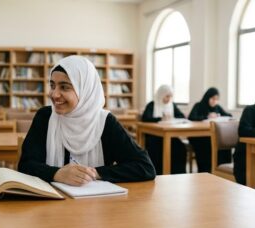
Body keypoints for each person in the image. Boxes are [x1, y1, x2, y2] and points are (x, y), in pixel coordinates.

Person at [18, 55, 155, 186]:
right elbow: (25, 165)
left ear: (85, 90)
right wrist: (57, 173)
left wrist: (93, 173)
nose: (54, 94)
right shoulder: (45, 117)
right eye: (53, 86)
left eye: (64, 87)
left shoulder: (104, 122)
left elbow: (144, 167)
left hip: (94, 204)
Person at [141, 85, 187, 174]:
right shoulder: (152, 104)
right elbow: (145, 118)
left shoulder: (172, 105)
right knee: (156, 148)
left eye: (170, 96)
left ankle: (177, 174)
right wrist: (160, 119)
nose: (169, 99)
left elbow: (180, 116)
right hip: (154, 136)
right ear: (161, 95)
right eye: (167, 96)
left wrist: (172, 118)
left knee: (181, 148)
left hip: (170, 136)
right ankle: (158, 173)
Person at [187, 87, 233, 172]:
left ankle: (220, 170)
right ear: (207, 97)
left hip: (211, 135)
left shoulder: (217, 107)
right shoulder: (199, 105)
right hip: (197, 136)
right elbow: (191, 117)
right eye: (212, 98)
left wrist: (218, 115)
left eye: (216, 99)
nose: (214, 101)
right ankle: (205, 170)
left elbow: (229, 116)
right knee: (207, 144)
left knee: (223, 144)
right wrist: (207, 116)